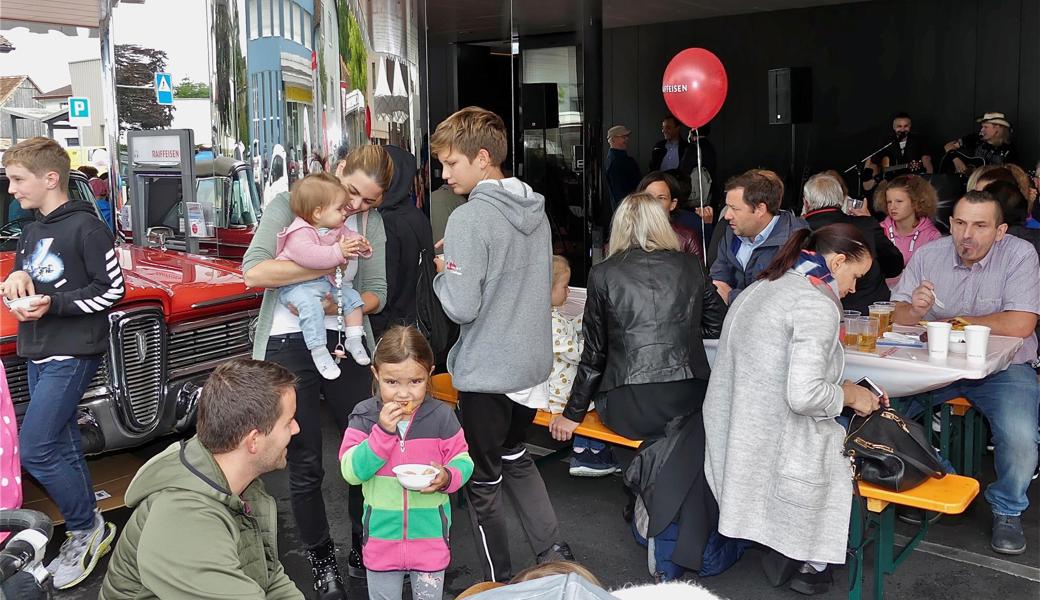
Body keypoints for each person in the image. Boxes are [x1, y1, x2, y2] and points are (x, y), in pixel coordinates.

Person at [549, 192, 727, 575]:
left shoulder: (604, 273)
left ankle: (649, 511)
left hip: (627, 403)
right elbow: (718, 325)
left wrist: (572, 413)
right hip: (688, 394)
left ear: (620, 227)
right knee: (684, 439)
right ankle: (660, 522)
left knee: (664, 441)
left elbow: (593, 354)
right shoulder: (690, 266)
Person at [243, 145, 392, 598]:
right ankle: (321, 557)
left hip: (347, 343)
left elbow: (378, 293)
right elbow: (254, 272)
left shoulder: (370, 224)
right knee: (305, 461)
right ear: (338, 169)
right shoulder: (290, 205)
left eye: (368, 201)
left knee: (363, 454)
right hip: (288, 343)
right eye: (351, 193)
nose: (356, 207)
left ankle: (362, 548)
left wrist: (337, 303)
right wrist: (322, 263)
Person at [431, 106, 572, 582]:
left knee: (482, 484)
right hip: (530, 367)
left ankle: (501, 586)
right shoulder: (536, 209)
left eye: (452, 163)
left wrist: (442, 276)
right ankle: (555, 555)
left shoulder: (468, 220)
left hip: (489, 369)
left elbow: (461, 307)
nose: (444, 173)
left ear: (484, 158)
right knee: (516, 456)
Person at [704, 223, 883, 596]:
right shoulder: (816, 304)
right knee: (843, 446)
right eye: (855, 277)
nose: (853, 289)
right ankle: (813, 561)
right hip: (773, 433)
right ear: (836, 262)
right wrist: (850, 395)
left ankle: (779, 540)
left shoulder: (762, 285)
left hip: (733, 427)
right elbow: (804, 397)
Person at [0, 137, 124, 590]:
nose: (12, 189)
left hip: (72, 352)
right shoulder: (31, 231)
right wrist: (17, 279)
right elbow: (30, 279)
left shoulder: (88, 229)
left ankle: (85, 528)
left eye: (17, 179)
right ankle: (89, 524)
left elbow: (112, 291)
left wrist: (53, 304)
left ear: (51, 178)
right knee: (63, 441)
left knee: (37, 449)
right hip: (37, 349)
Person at [890, 190, 1039, 555]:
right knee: (879, 406)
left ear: (1000, 231)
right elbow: (897, 315)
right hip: (936, 364)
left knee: (1021, 439)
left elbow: (1021, 323)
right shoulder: (929, 254)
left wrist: (950, 322)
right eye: (959, 223)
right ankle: (942, 477)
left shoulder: (1020, 255)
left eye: (979, 225)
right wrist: (914, 309)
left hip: (1004, 368)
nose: (966, 235)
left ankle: (1007, 508)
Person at [99, 359, 303, 599]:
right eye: (288, 422)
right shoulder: (185, 521)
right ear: (253, 441)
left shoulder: (240, 484)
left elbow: (269, 577)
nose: (297, 428)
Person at [339, 325, 473, 600]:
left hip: (430, 539)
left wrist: (448, 477)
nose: (404, 394)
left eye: (415, 382)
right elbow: (351, 472)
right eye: (392, 382)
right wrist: (382, 433)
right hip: (380, 540)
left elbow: (463, 459)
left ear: (429, 375)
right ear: (376, 375)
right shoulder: (364, 416)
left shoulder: (441, 417)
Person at [276, 173, 372, 379]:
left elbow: (350, 238)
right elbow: (311, 257)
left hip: (323, 285)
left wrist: (361, 245)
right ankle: (318, 349)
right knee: (311, 308)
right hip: (297, 288)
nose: (344, 213)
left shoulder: (335, 228)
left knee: (353, 298)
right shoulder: (299, 232)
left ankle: (354, 337)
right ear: (318, 212)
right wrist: (339, 252)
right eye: (339, 208)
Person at [544, 256, 619, 477]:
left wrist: (588, 317)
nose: (568, 292)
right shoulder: (548, 324)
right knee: (592, 395)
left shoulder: (551, 316)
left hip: (560, 388)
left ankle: (586, 448)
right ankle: (588, 452)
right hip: (559, 395)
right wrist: (595, 340)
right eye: (565, 286)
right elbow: (577, 354)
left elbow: (570, 325)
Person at [801, 173, 903, 313]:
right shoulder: (866, 224)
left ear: (806, 203)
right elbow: (894, 266)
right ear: (842, 200)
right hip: (868, 315)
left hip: (814, 313)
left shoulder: (796, 230)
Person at [709, 169, 808, 303]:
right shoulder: (730, 233)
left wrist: (732, 296)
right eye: (727, 207)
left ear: (760, 209)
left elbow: (784, 300)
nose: (727, 215)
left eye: (735, 209)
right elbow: (717, 282)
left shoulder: (796, 241)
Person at [371, 145, 435, 340]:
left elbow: (386, 288)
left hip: (395, 330)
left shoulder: (387, 221)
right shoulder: (416, 215)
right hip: (418, 320)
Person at [873, 175, 944, 287]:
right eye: (889, 202)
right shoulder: (878, 231)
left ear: (916, 202)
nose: (892, 207)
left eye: (899, 201)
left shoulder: (932, 236)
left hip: (915, 297)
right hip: (881, 298)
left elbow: (934, 277)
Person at [637, 171, 703, 260]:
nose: (654, 203)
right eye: (649, 197)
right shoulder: (628, 235)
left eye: (661, 198)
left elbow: (697, 272)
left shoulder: (687, 239)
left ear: (673, 204)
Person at [944, 112, 1016, 173]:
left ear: (997, 128)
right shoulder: (975, 138)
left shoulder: (1009, 149)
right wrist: (956, 160)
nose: (981, 130)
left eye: (985, 127)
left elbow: (1010, 174)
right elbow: (948, 146)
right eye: (982, 127)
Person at [605, 125, 641, 210]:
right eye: (623, 137)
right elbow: (619, 192)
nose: (626, 139)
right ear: (613, 139)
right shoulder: (616, 162)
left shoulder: (618, 159)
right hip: (628, 209)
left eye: (627, 136)